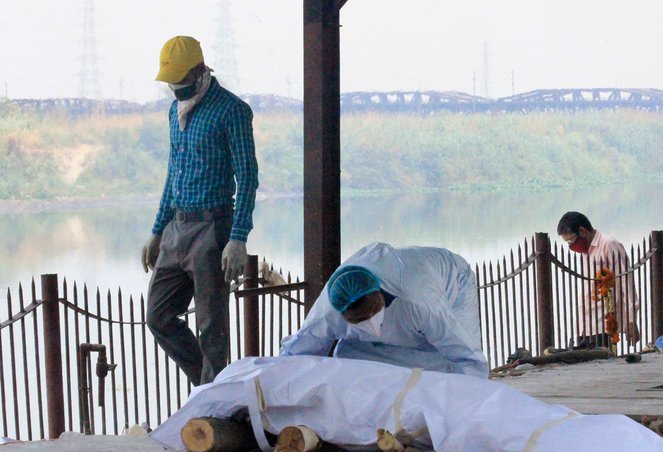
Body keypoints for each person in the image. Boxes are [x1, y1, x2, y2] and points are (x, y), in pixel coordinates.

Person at [141, 36, 259, 386]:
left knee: (212, 328)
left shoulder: (231, 110)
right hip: (177, 225)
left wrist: (237, 239)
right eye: (170, 82)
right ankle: (207, 386)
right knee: (158, 316)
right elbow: (173, 173)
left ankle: (213, 405)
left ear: (199, 70)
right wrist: (157, 228)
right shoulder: (173, 111)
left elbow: (248, 178)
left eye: (180, 79)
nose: (175, 87)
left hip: (212, 226)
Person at [280, 242, 489, 378]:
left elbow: (465, 355)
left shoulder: (419, 302)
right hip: (408, 304)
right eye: (359, 321)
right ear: (341, 314)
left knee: (449, 370)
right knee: (348, 365)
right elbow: (297, 353)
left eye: (373, 313)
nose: (370, 324)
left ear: (380, 294)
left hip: (453, 283)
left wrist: (475, 400)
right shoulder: (327, 314)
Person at [557, 211, 640, 349]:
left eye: (571, 241)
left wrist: (631, 319)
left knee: (603, 360)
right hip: (585, 324)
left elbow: (626, 283)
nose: (571, 246)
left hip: (604, 322)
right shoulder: (585, 251)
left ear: (582, 231)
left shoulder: (609, 244)